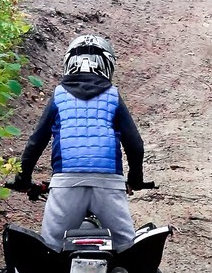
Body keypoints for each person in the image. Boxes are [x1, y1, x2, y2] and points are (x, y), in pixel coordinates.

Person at [8, 34, 146, 251]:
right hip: (108, 183)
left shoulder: (59, 96)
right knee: (127, 249)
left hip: (66, 183)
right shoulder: (113, 96)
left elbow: (36, 141)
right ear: (108, 65)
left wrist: (22, 178)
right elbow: (135, 145)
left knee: (49, 249)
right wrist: (135, 179)